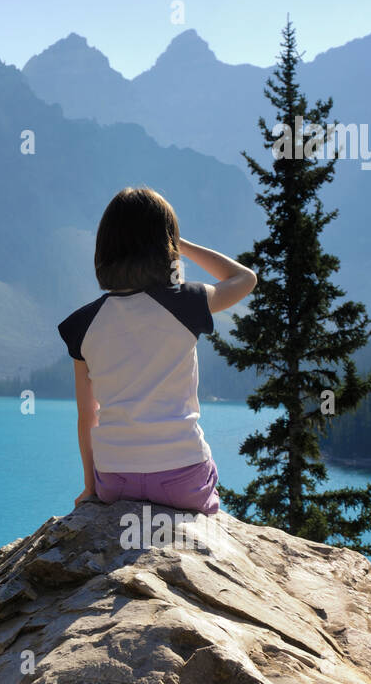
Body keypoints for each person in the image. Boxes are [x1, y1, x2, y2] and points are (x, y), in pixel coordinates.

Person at [57, 187, 257, 516]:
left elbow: (87, 417)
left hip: (115, 481)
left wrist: (91, 489)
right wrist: (183, 245)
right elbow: (244, 278)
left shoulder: (82, 323)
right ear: (166, 244)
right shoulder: (187, 302)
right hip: (183, 478)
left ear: (105, 248)